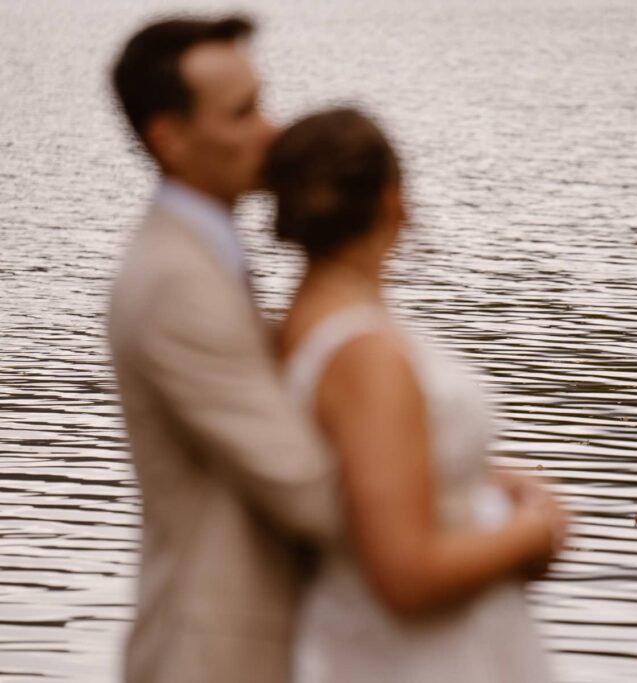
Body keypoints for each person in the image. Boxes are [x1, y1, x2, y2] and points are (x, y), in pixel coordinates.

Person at [264, 108, 568, 683]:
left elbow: (362, 468)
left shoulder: (301, 324)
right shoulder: (364, 352)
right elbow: (405, 575)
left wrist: (493, 480)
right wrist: (535, 530)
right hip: (420, 657)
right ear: (392, 202)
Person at [106, 17, 338, 683]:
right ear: (170, 139)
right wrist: (489, 519)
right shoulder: (175, 282)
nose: (270, 129)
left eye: (262, 101)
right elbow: (305, 487)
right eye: (242, 113)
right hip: (208, 656)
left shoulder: (205, 255)